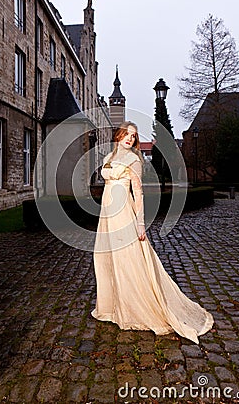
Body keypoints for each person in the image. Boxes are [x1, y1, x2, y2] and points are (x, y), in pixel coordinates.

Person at [91, 121, 213, 344]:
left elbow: (139, 194)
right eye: (126, 134)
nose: (130, 138)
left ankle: (133, 309)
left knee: (127, 260)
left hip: (124, 215)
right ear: (118, 135)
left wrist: (139, 224)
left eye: (134, 136)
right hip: (107, 216)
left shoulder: (134, 160)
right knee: (107, 259)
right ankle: (111, 307)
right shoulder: (108, 159)